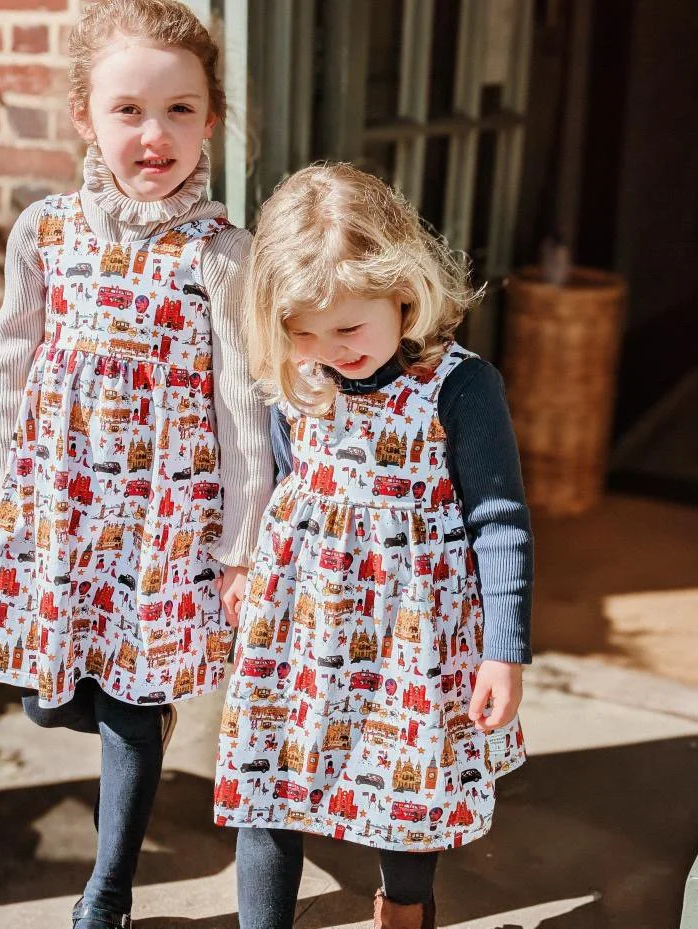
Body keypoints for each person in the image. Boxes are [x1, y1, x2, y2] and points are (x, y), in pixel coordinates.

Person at [0, 2, 273, 926]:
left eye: (180, 110)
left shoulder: (221, 256)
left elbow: (242, 411)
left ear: (211, 120)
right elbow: (10, 364)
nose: (155, 136)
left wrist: (239, 542)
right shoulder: (47, 232)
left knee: (124, 708)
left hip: (162, 517)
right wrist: (1, 494)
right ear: (84, 116)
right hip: (63, 507)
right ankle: (131, 721)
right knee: (43, 697)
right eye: (129, 111)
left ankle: (105, 889)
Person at [213, 164, 533, 929]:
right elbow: (283, 484)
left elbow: (499, 519)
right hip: (300, 624)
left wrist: (503, 648)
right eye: (303, 332)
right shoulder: (300, 380)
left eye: (348, 328)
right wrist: (250, 560)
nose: (329, 349)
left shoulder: (458, 387)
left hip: (413, 632)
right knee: (271, 776)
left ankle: (405, 910)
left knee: (406, 784)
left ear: (402, 289)